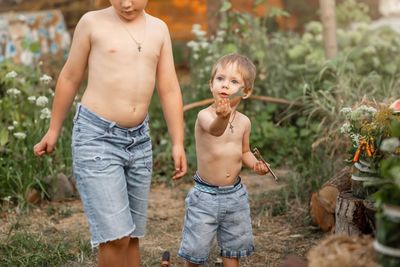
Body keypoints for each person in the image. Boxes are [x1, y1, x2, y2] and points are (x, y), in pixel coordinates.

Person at [33, 0, 187, 266]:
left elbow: (169, 87)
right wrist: (53, 129)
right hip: (97, 138)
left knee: (131, 234)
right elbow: (70, 76)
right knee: (116, 236)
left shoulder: (159, 29)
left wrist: (178, 142)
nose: (126, 3)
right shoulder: (92, 23)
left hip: (139, 141)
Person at [178, 53, 270, 267]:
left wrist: (255, 164)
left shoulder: (244, 122)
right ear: (211, 84)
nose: (225, 85)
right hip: (205, 196)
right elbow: (215, 130)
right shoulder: (205, 116)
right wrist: (222, 116)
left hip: (234, 195)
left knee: (233, 246)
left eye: (234, 81)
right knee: (196, 248)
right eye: (220, 79)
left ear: (246, 92)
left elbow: (245, 151)